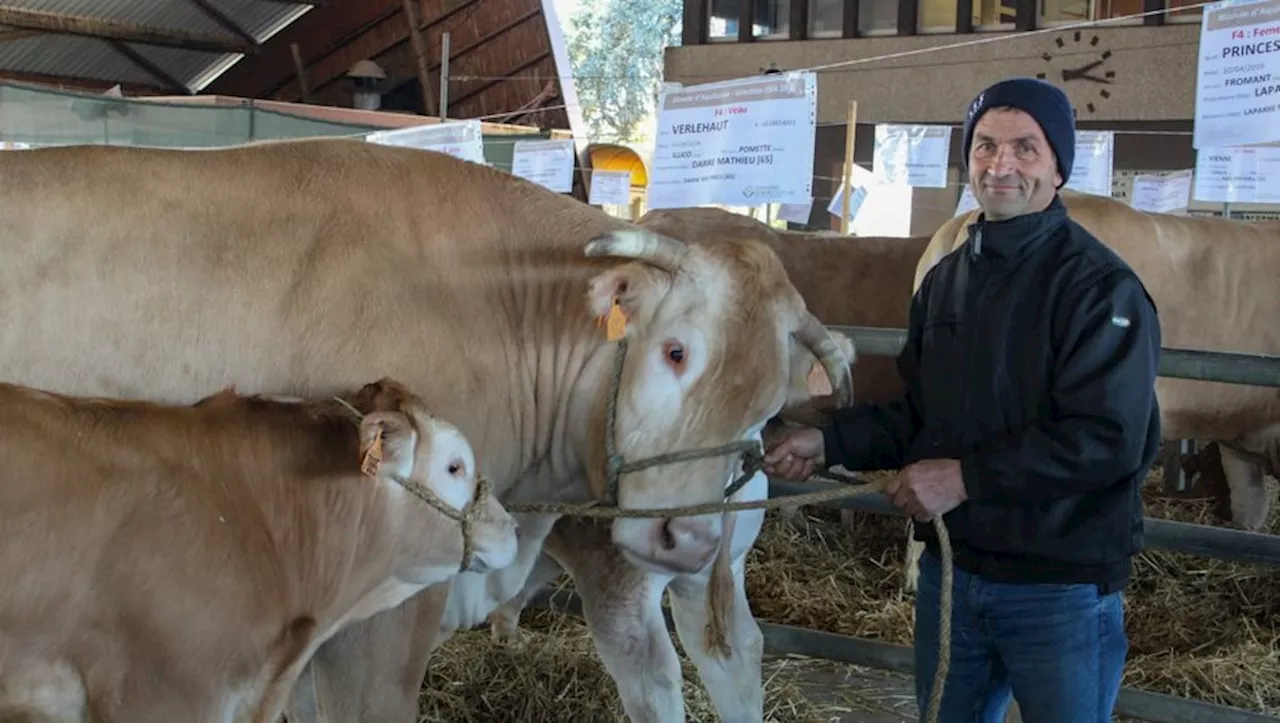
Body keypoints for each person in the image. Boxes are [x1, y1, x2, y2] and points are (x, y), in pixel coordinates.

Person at [764, 77, 1162, 723]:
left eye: (1026, 148)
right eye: (985, 146)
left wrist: (967, 478)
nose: (1001, 164)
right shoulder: (948, 281)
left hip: (1058, 582)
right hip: (957, 576)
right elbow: (923, 413)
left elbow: (1107, 439)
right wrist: (828, 441)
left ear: (1059, 167)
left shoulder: (1099, 288)